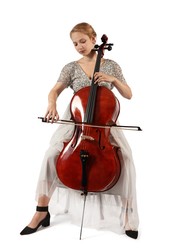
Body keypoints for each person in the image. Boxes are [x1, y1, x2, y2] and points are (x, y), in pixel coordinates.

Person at [20, 22, 139, 239]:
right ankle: (41, 211)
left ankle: (128, 216)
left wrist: (112, 80)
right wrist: (52, 104)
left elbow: (128, 94)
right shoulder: (71, 68)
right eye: (75, 43)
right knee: (50, 157)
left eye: (82, 41)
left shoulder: (111, 65)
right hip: (77, 124)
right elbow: (54, 91)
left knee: (127, 160)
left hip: (104, 125)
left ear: (94, 39)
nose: (79, 46)